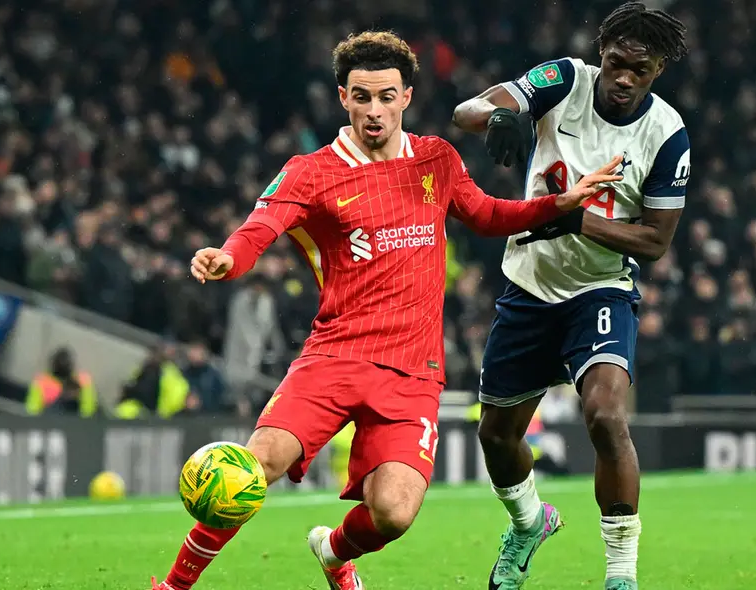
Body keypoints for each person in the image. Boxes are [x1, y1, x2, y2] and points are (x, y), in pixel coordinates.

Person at [151, 30, 623, 590]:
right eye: (361, 97)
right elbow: (261, 227)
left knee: (393, 513)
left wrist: (560, 204)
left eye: (385, 96)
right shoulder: (313, 170)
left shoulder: (436, 159)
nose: (373, 110)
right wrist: (228, 257)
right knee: (251, 470)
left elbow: (489, 215)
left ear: (406, 96)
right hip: (334, 356)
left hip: (411, 372)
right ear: (343, 98)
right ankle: (174, 585)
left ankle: (333, 552)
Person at [451, 3, 691, 589]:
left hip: (600, 288)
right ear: (601, 53)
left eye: (640, 69)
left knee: (606, 416)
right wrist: (498, 118)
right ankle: (530, 524)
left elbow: (655, 242)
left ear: (657, 70)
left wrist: (576, 223)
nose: (625, 78)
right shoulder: (563, 80)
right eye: (616, 63)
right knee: (497, 437)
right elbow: (466, 110)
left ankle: (621, 577)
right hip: (530, 284)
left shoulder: (667, 134)